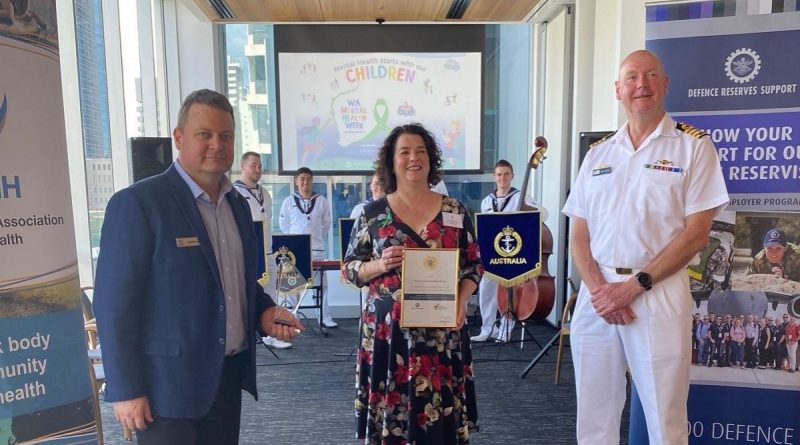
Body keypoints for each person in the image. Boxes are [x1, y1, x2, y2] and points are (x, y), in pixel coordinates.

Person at [93, 89, 303, 443]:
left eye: (225, 136)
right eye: (204, 134)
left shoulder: (237, 205)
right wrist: (126, 388)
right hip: (166, 392)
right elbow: (114, 304)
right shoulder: (138, 204)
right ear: (179, 137)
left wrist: (263, 312)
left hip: (225, 378)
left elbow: (238, 283)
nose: (216, 145)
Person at [561, 50, 729, 444]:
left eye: (651, 75)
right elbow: (579, 234)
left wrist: (631, 288)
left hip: (658, 293)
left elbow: (697, 234)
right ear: (618, 90)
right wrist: (603, 292)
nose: (642, 84)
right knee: (594, 415)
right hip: (597, 294)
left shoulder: (694, 147)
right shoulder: (598, 153)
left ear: (665, 84)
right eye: (632, 77)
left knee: (664, 417)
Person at [342, 123, 482, 444]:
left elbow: (473, 265)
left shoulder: (455, 211)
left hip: (441, 336)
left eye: (420, 151)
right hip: (388, 338)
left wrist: (461, 301)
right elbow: (350, 269)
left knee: (438, 420)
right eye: (404, 152)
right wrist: (380, 264)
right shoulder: (372, 214)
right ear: (392, 162)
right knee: (393, 423)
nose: (413, 158)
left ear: (431, 160)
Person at [471, 159, 548, 343]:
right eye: (499, 174)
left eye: (506, 174)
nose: (502, 178)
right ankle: (488, 328)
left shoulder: (522, 197)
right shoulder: (486, 201)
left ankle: (506, 328)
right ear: (494, 177)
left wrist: (528, 210)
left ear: (512, 176)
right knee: (486, 288)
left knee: (511, 289)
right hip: (493, 254)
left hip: (516, 252)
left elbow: (544, 214)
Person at [233, 152, 292, 350]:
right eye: (253, 165)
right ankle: (245, 336)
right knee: (246, 296)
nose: (258, 169)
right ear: (243, 166)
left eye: (260, 166)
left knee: (270, 296)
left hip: (267, 253)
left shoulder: (265, 194)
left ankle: (270, 333)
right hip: (246, 255)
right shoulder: (234, 193)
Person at [279, 167, 336, 328]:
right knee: (292, 286)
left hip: (316, 249)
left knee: (321, 285)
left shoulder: (322, 200)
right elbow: (284, 225)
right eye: (302, 179)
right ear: (296, 181)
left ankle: (324, 317)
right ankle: (291, 318)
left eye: (308, 179)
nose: (305, 182)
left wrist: (315, 238)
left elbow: (326, 225)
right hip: (294, 251)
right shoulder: (288, 201)